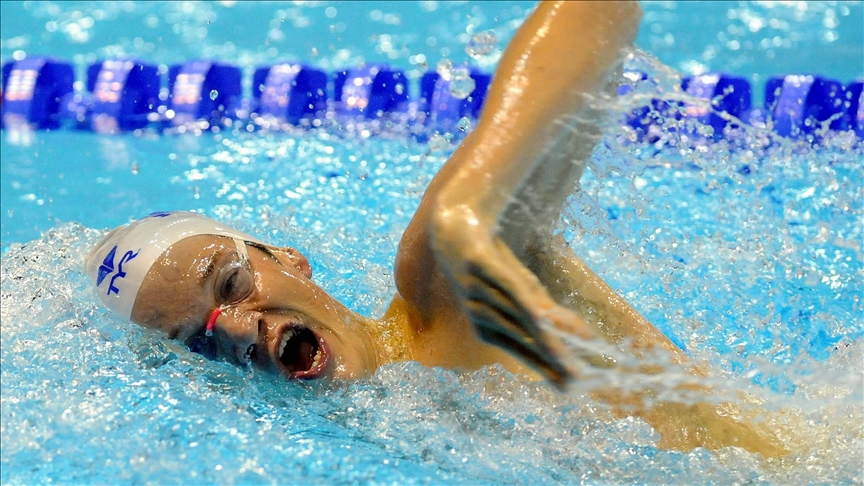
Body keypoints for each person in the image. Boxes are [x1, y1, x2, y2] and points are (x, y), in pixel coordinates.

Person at [85, 1, 788, 457]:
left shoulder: (441, 292)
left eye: (232, 282)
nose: (235, 330)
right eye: (200, 342)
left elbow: (601, 11)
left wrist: (469, 203)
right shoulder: (378, 433)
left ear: (291, 260)